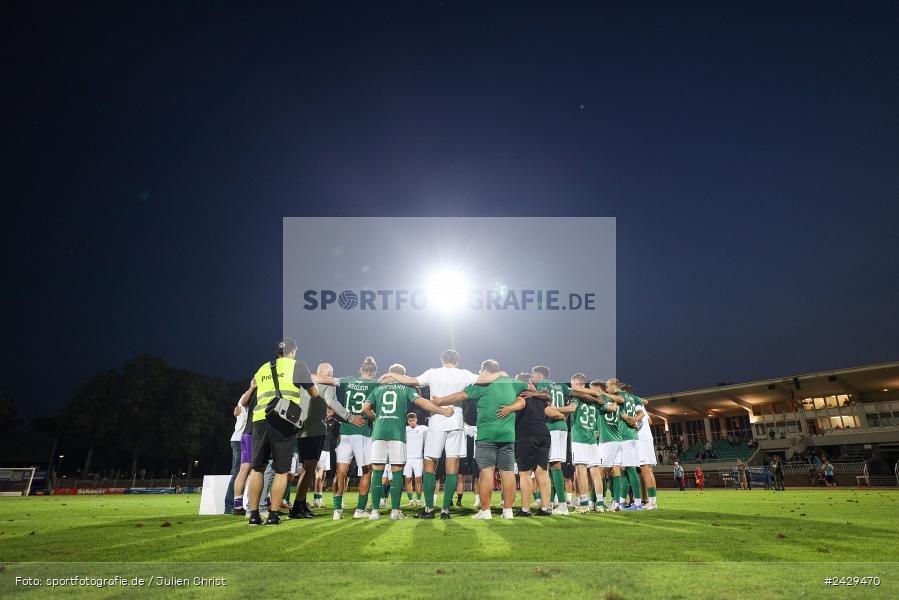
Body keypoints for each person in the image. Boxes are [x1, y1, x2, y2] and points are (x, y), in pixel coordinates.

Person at [380, 350, 506, 519]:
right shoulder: (464, 374)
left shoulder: (433, 372)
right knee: (452, 465)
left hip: (437, 421)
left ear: (441, 359)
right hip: (456, 420)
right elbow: (487, 378)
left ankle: (429, 509)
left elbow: (412, 381)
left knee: (430, 463)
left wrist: (392, 375)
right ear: (457, 361)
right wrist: (501, 373)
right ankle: (445, 510)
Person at [432, 359, 536, 520]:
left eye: (481, 372)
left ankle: (485, 511)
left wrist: (440, 401)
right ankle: (508, 511)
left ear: (486, 371)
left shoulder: (481, 385)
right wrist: (515, 405)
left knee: (486, 472)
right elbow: (531, 388)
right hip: (508, 435)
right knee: (507, 472)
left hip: (487, 435)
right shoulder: (512, 382)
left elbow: (461, 395)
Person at [361, 363, 453, 521]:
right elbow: (423, 403)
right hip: (397, 433)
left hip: (379, 434)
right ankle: (395, 512)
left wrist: (377, 418)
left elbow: (364, 409)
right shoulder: (406, 389)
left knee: (377, 472)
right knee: (397, 472)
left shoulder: (377, 389)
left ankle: (375, 512)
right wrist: (443, 411)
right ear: (402, 376)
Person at [246, 337, 320, 526]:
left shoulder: (263, 367)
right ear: (293, 350)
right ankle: (273, 515)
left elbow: (254, 386)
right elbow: (314, 393)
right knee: (281, 470)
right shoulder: (298, 366)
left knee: (257, 468)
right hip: (282, 420)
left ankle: (254, 515)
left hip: (260, 419)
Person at [288, 363, 364, 519]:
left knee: (306, 469)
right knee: (310, 469)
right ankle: (297, 507)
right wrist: (350, 417)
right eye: (332, 373)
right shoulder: (326, 383)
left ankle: (301, 504)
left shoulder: (306, 382)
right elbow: (332, 402)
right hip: (315, 428)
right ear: (328, 374)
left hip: (301, 428)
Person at [315, 356, 380, 520]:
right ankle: (360, 510)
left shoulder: (348, 380)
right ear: (375, 371)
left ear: (360, 370)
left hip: (345, 430)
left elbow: (323, 379)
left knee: (341, 471)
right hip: (362, 429)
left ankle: (337, 510)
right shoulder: (376, 384)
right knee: (367, 471)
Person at [549, 373, 608, 513]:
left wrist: (554, 409)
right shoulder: (594, 398)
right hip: (592, 438)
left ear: (577, 384)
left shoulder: (577, 396)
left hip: (579, 437)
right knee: (594, 471)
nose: (571, 387)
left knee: (581, 470)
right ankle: (599, 504)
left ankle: (584, 504)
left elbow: (572, 409)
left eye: (572, 384)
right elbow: (608, 407)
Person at [508, 372, 553, 516]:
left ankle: (525, 509)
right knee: (542, 472)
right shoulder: (539, 397)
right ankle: (546, 508)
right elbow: (548, 402)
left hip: (526, 435)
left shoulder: (517, 396)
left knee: (525, 474)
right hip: (544, 434)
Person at [530, 366, 573, 514]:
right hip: (562, 427)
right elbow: (572, 405)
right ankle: (553, 502)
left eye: (533, 375)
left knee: (554, 466)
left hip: (552, 427)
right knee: (551, 465)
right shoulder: (561, 385)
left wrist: (556, 412)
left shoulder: (542, 386)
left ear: (540, 376)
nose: (532, 378)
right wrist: (562, 413)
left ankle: (562, 505)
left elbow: (547, 407)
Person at [606, 379, 644, 510]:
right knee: (626, 470)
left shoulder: (621, 396)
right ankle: (622, 501)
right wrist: (635, 422)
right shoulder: (631, 397)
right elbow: (642, 412)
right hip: (630, 435)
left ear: (612, 386)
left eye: (607, 387)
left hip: (626, 436)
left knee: (631, 469)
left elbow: (626, 415)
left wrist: (630, 420)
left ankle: (638, 503)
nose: (606, 389)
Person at [228, 380, 256, 515]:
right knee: (239, 472)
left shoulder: (252, 396)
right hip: (241, 438)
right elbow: (243, 402)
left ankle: (240, 505)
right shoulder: (248, 395)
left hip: (243, 437)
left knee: (245, 471)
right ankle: (230, 506)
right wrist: (252, 387)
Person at [630, 387, 658, 510]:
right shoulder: (639, 403)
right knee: (644, 471)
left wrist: (635, 423)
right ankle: (646, 500)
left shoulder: (634, 403)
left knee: (646, 470)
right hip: (646, 438)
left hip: (642, 439)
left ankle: (652, 503)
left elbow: (642, 418)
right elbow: (650, 421)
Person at [312, 408, 339, 507]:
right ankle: (316, 499)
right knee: (318, 476)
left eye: (331, 411)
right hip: (320, 450)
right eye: (328, 410)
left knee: (323, 476)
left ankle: (319, 497)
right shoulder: (319, 420)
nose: (330, 412)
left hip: (328, 451)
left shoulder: (335, 422)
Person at [403, 412, 428, 507]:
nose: (412, 422)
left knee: (418, 479)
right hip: (407, 459)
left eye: (413, 420)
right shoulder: (405, 429)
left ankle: (418, 500)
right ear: (407, 421)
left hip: (418, 459)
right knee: (408, 479)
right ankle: (410, 501)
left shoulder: (423, 428)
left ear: (416, 419)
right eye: (410, 421)